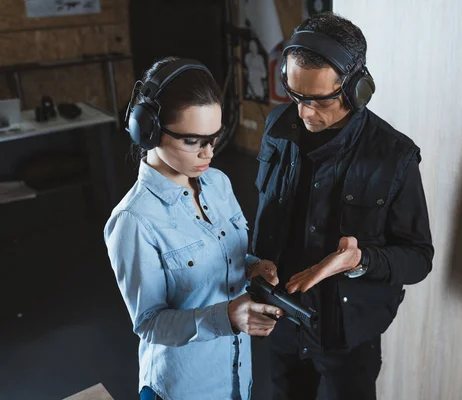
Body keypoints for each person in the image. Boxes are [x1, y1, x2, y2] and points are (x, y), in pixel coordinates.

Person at [251, 12, 434, 400]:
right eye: (295, 95)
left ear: (357, 89)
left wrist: (360, 260)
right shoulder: (277, 127)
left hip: (347, 337)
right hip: (281, 321)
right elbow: (265, 217)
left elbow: (418, 258)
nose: (303, 113)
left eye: (318, 101)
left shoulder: (395, 156)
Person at [104, 57, 282, 400]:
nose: (209, 153)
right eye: (193, 141)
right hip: (183, 387)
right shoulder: (134, 220)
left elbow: (225, 256)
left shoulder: (217, 183)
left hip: (235, 376)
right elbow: (149, 323)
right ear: (148, 131)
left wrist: (253, 266)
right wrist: (227, 317)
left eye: (214, 138)